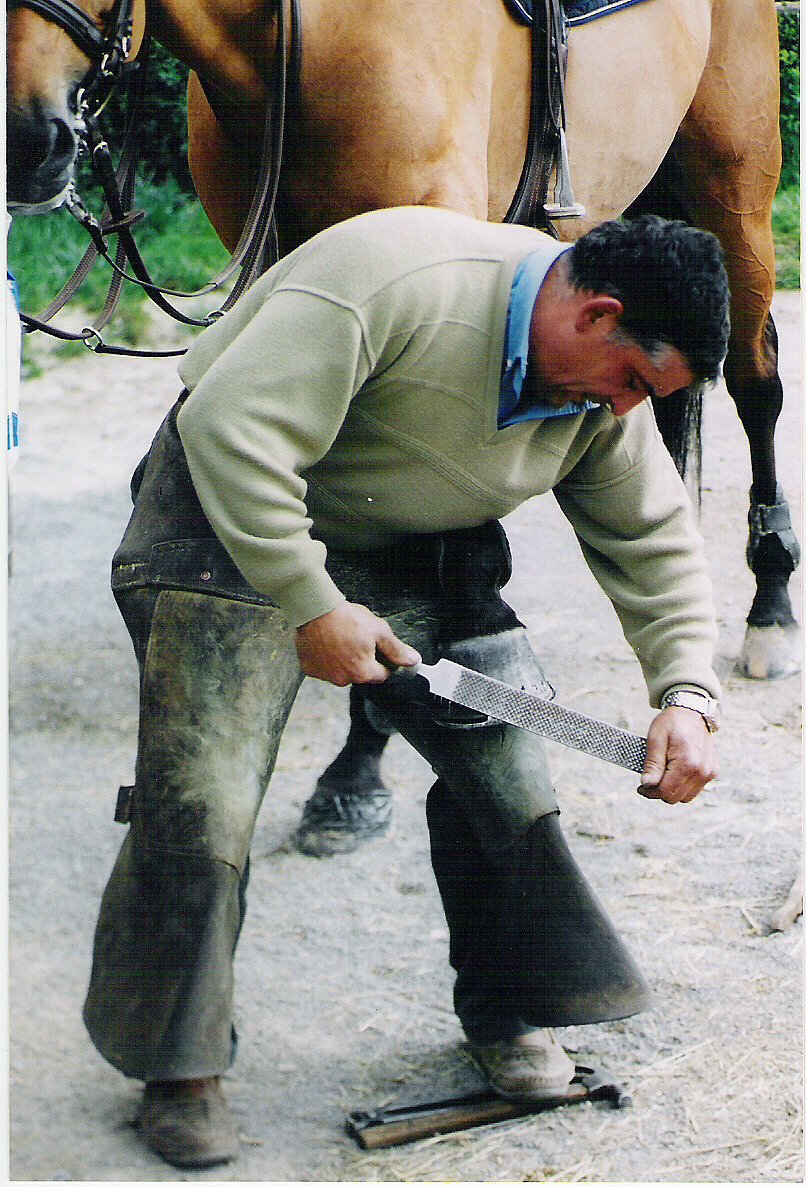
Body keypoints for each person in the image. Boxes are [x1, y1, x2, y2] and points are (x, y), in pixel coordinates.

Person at [83, 207, 729, 1169]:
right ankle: (177, 1065)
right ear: (598, 314)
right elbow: (229, 425)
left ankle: (507, 1006)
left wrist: (687, 691)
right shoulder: (396, 280)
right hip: (226, 520)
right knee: (204, 789)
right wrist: (310, 600)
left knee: (505, 758)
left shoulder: (598, 398)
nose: (627, 410)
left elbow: (652, 536)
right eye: (635, 382)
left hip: (412, 543)